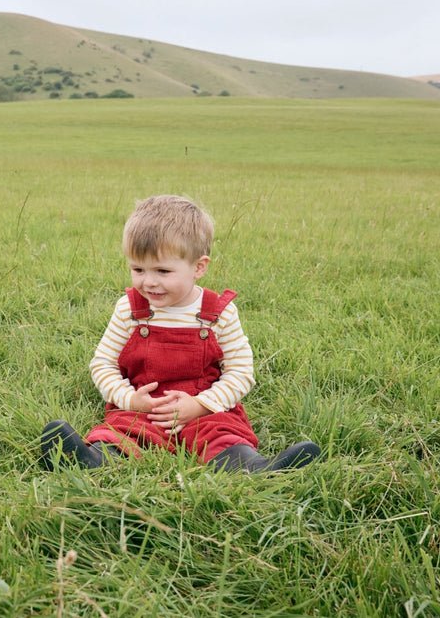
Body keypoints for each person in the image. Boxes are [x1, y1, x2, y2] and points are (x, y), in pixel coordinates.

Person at [40, 195, 320, 473]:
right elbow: (103, 364)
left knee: (221, 433)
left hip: (202, 405)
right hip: (145, 404)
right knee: (124, 431)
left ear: (198, 267)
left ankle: (254, 467)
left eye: (163, 271)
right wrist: (130, 399)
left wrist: (201, 404)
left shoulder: (218, 313)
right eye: (138, 269)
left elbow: (241, 372)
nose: (148, 282)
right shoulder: (130, 309)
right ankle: (90, 461)